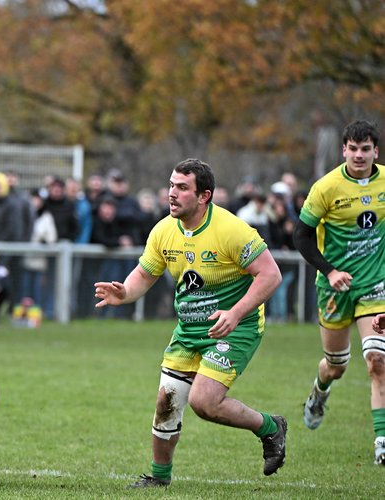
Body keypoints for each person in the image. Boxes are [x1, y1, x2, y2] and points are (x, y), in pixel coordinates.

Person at [94, 158, 286, 487]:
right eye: (171, 185)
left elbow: (271, 275)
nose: (172, 193)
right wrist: (124, 292)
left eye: (182, 188)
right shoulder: (164, 230)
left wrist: (235, 313)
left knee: (204, 402)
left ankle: (270, 427)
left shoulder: (231, 229)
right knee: (166, 403)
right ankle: (159, 478)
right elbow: (145, 274)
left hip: (235, 328)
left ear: (203, 196)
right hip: (188, 331)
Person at [292, 120, 385, 465]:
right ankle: (320, 392)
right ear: (344, 150)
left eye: (366, 149)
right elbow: (301, 236)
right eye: (353, 148)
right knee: (336, 366)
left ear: (376, 151)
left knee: (377, 361)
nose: (359, 155)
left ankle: (382, 442)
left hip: (374, 285)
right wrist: (329, 271)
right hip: (334, 288)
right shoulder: (326, 187)